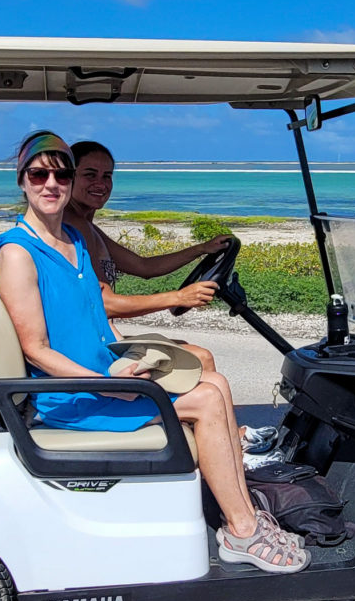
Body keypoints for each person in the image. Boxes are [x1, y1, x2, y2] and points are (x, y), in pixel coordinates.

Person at [0, 131, 307, 573]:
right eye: (40, 174)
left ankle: (237, 498)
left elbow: (97, 320)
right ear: (23, 180)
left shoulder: (73, 243)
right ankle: (242, 531)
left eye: (61, 174)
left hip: (103, 378)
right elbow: (35, 350)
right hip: (72, 397)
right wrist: (110, 385)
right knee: (207, 397)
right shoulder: (19, 254)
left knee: (211, 377)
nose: (51, 184)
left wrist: (124, 362)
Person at [64, 140, 275, 451]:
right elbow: (103, 303)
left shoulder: (87, 226)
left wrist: (201, 250)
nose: (100, 184)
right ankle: (227, 444)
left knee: (199, 355)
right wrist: (178, 297)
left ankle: (227, 441)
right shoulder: (72, 227)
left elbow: (143, 266)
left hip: (104, 338)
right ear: (69, 177)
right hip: (93, 348)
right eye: (90, 174)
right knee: (200, 357)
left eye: (107, 176)